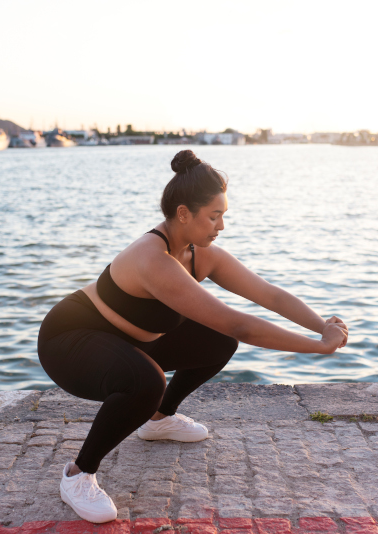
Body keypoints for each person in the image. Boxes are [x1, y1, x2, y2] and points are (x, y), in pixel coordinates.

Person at [37, 150, 349, 523]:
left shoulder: (201, 254)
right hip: (68, 341)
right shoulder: (153, 258)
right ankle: (78, 475)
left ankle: (159, 420)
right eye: (214, 216)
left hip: (124, 339)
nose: (220, 226)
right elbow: (240, 324)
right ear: (184, 213)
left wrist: (321, 326)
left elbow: (269, 295)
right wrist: (317, 347)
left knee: (217, 343)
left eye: (223, 216)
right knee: (146, 381)